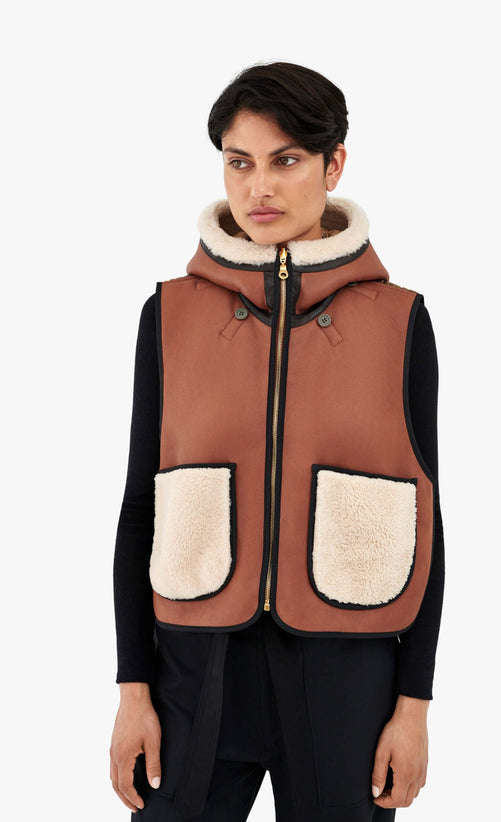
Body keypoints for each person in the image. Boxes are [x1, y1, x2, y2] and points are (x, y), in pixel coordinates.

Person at [110, 61, 445, 822]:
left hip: (347, 676)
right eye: (240, 162)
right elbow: (139, 508)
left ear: (334, 164)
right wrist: (133, 689)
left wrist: (414, 705)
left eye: (285, 160)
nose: (259, 187)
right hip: (194, 670)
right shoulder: (168, 316)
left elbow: (425, 518)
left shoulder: (400, 321)